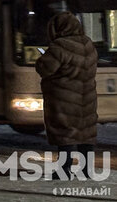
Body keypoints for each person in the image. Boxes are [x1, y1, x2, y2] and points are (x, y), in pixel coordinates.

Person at [35, 11, 98, 179]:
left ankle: (64, 169)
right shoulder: (88, 44)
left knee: (65, 133)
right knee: (85, 133)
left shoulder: (60, 46)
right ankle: (86, 170)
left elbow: (45, 68)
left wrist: (42, 58)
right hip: (86, 96)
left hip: (64, 97)